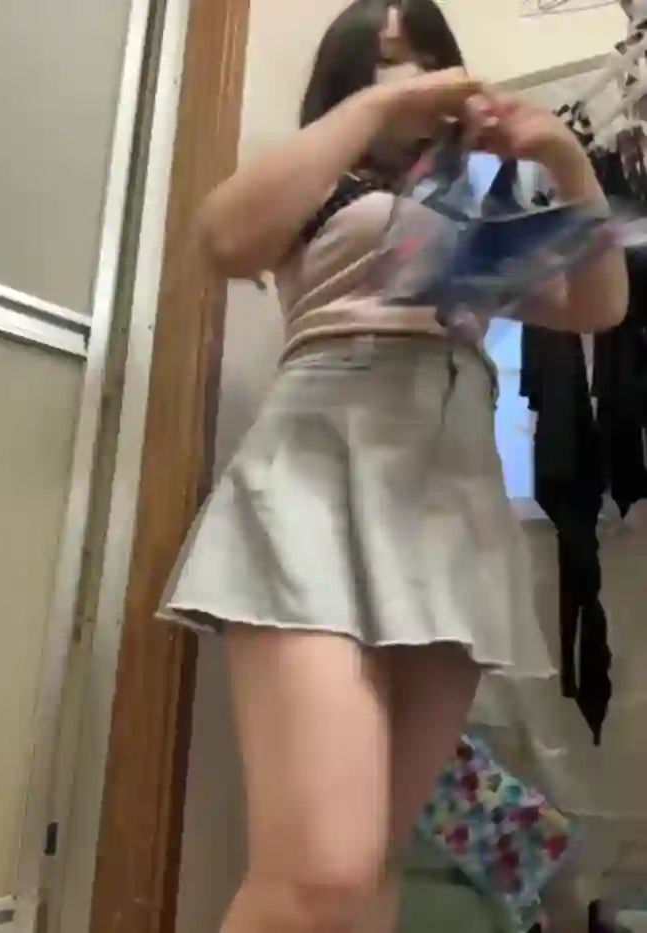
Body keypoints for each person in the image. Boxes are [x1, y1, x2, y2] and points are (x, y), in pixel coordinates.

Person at [158, 2, 628, 932]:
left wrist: (565, 160)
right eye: (385, 61)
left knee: (375, 862)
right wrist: (374, 111)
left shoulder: (471, 215)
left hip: (450, 506)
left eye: (426, 59)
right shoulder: (324, 181)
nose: (410, 76)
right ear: (347, 79)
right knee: (321, 873)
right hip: (321, 481)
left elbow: (598, 304)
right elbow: (222, 237)